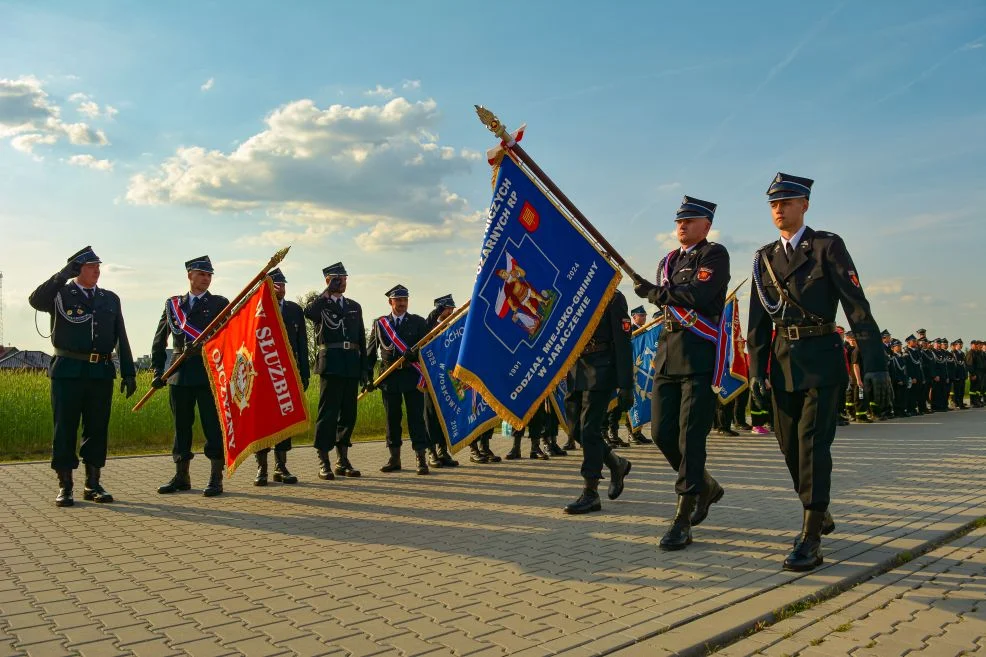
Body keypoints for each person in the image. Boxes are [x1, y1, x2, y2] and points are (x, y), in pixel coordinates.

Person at [747, 172, 891, 572]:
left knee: (812, 444)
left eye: (787, 202)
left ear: (804, 205)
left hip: (823, 361)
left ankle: (811, 532)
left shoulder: (827, 246)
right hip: (781, 363)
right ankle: (819, 510)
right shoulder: (763, 258)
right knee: (789, 447)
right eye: (773, 204)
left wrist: (875, 364)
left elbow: (856, 307)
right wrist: (756, 371)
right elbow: (757, 322)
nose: (779, 209)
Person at [633, 196, 729, 549]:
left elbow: (700, 295)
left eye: (690, 221)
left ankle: (683, 515)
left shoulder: (715, 255)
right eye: (679, 222)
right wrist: (657, 291)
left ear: (706, 225)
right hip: (667, 354)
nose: (682, 227)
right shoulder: (669, 261)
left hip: (698, 356)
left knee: (691, 439)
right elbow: (674, 295)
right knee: (661, 432)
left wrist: (656, 293)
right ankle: (706, 485)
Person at [28, 246, 137, 507]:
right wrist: (62, 275)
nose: (97, 271)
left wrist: (129, 371)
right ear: (78, 269)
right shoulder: (61, 294)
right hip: (68, 370)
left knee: (97, 428)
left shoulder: (110, 298)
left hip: (100, 372)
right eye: (90, 267)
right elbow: (35, 300)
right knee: (65, 427)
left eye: (98, 266)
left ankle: (93, 483)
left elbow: (120, 335)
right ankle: (65, 486)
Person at [152, 256, 230, 497]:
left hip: (208, 372)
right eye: (201, 274)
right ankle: (181, 476)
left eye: (209, 275)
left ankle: (215, 477)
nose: (206, 279)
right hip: (179, 373)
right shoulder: (174, 304)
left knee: (212, 427)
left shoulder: (220, 303)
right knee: (181, 426)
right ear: (190, 275)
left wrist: (206, 347)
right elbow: (159, 338)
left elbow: (229, 338)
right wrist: (158, 370)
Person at [562, 291, 633, 515]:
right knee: (575, 431)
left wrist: (626, 384)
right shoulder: (577, 292)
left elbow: (623, 342)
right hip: (577, 368)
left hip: (602, 368)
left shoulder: (613, 296)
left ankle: (590, 492)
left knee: (589, 429)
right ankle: (616, 464)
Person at [304, 262, 365, 479]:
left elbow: (361, 339)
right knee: (327, 414)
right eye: (337, 278)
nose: (343, 282)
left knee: (348, 414)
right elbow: (309, 313)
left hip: (351, 365)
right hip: (331, 365)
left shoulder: (354, 306)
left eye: (345, 278)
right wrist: (327, 292)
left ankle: (343, 459)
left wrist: (364, 370)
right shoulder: (321, 304)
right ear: (328, 280)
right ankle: (324, 460)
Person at [366, 284, 431, 475]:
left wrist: (415, 354)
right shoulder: (380, 323)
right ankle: (394, 459)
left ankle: (421, 458)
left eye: (405, 300)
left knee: (416, 419)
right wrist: (368, 377)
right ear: (390, 302)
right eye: (399, 300)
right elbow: (371, 352)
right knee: (392, 419)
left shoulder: (418, 322)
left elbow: (427, 349)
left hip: (412, 376)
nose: (402, 304)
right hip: (389, 377)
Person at [253, 268, 310, 486]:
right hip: (263, 374)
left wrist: (303, 373)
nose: (281, 289)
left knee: (286, 419)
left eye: (283, 285)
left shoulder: (295, 310)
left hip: (287, 373)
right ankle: (262, 468)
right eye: (276, 285)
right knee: (263, 422)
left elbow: (302, 345)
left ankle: (281, 466)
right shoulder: (257, 308)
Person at [422, 294, 460, 468]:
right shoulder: (429, 327)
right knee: (430, 416)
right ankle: (431, 452)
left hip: (447, 378)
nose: (451, 311)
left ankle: (443, 450)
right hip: (431, 379)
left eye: (452, 309)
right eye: (448, 309)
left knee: (444, 415)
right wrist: (435, 313)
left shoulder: (451, 328)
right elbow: (426, 335)